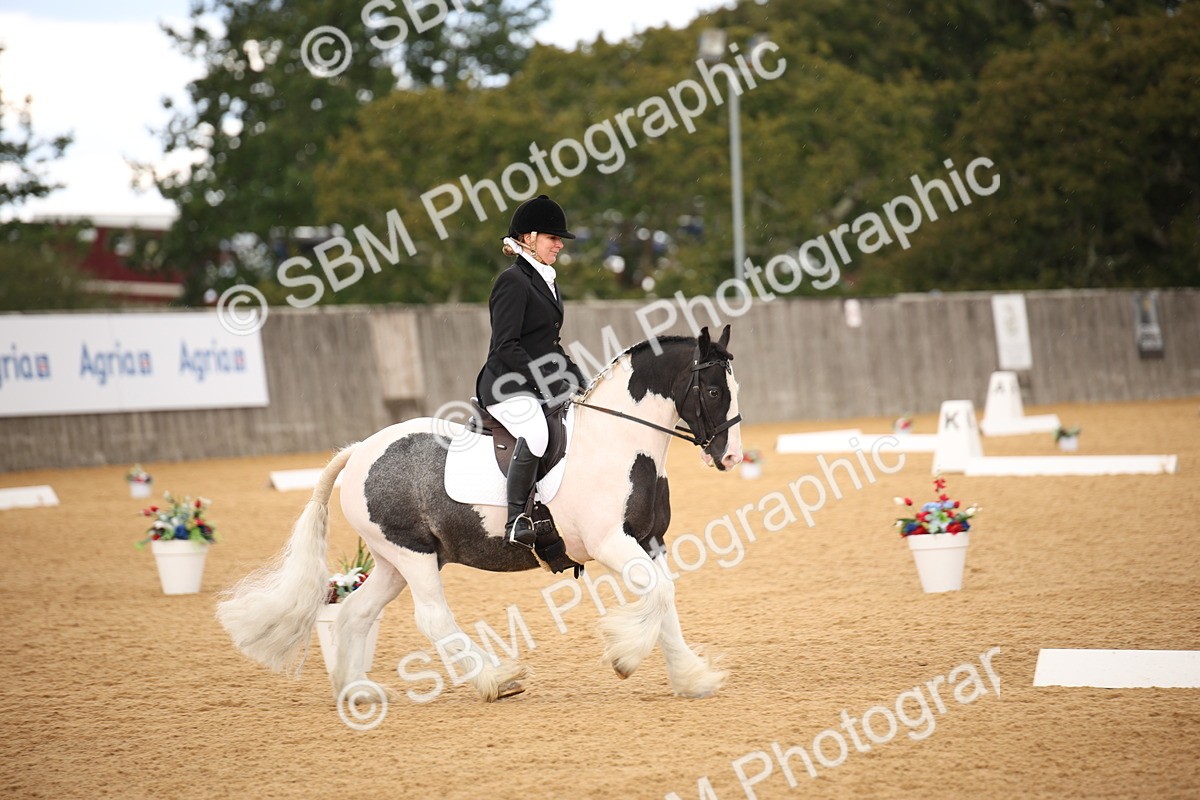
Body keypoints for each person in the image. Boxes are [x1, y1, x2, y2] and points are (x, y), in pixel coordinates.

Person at [475, 194, 588, 550]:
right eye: (553, 238)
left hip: (536, 382)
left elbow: (548, 344)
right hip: (506, 385)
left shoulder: (546, 279)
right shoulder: (513, 281)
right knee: (537, 433)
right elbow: (506, 346)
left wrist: (577, 379)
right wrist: (546, 381)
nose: (559, 245)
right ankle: (517, 519)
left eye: (560, 239)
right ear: (528, 238)